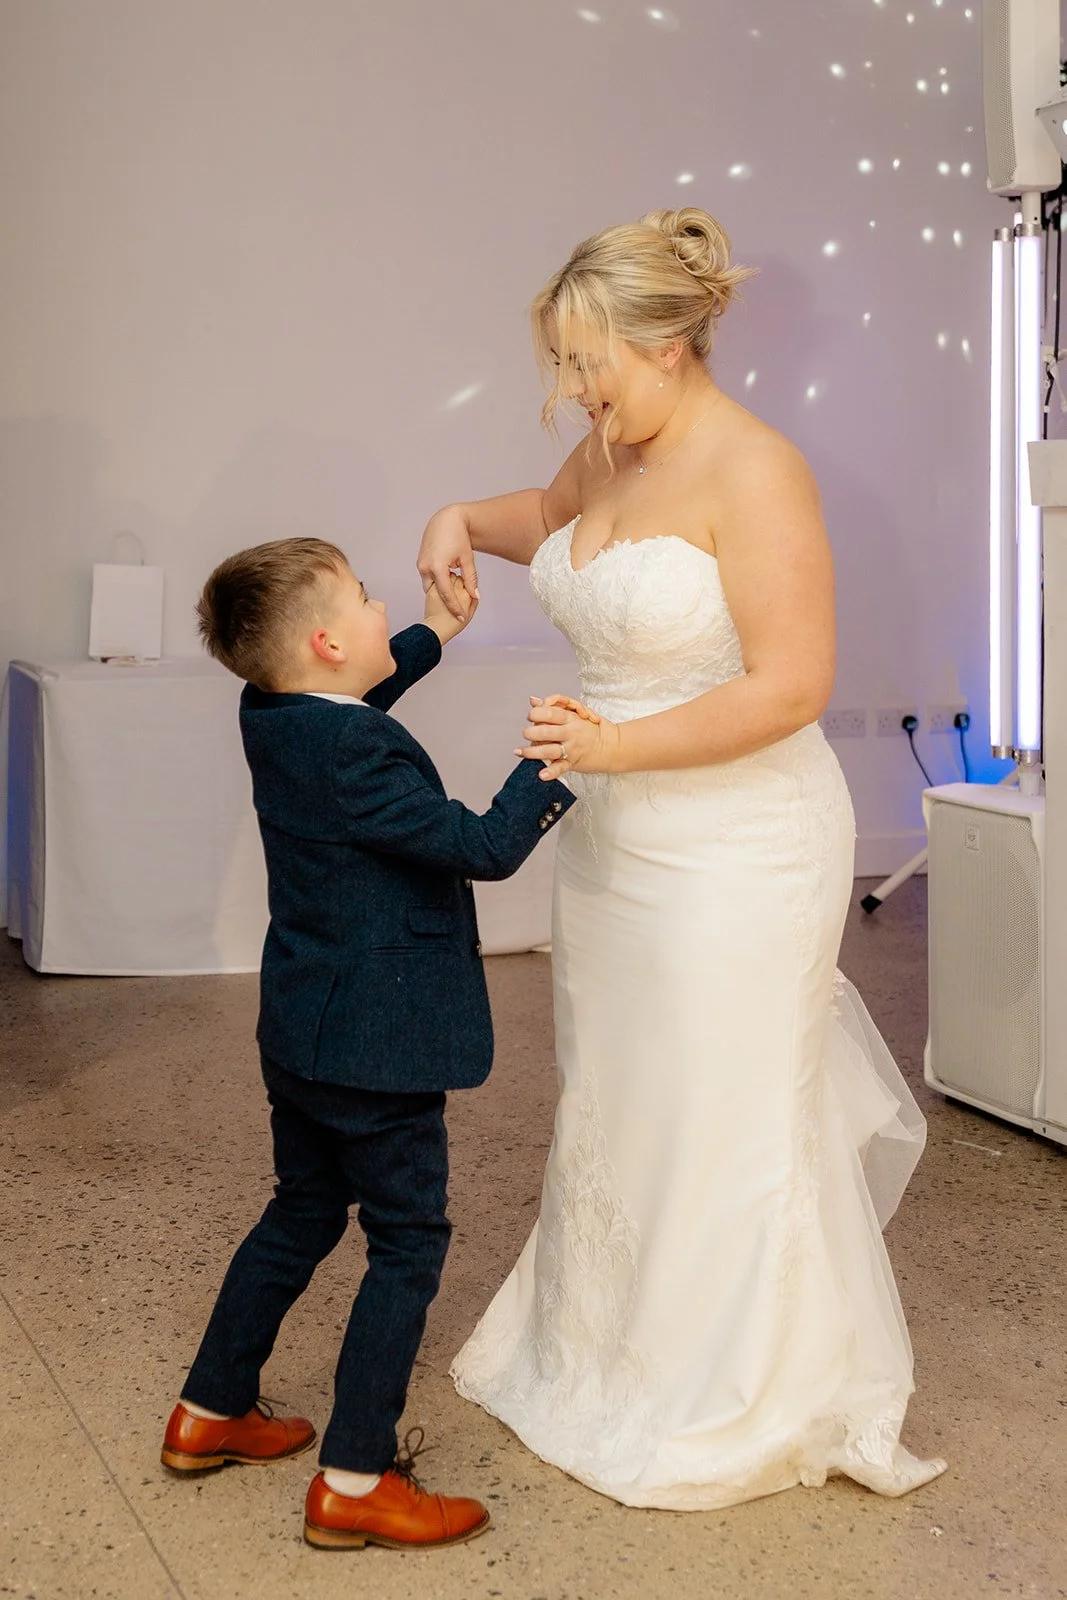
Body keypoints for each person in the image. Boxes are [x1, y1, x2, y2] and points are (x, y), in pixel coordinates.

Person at [417, 207, 947, 1510]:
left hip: (739, 847)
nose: (575, 395)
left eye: (590, 364)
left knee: (719, 1103)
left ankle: (731, 1389)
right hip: (616, 844)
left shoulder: (754, 469)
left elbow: (789, 684)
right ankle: (605, 1354)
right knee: (621, 1093)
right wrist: (451, 519)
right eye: (565, 368)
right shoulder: (604, 453)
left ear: (668, 340)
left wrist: (612, 745)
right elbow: (541, 520)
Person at [160, 537, 574, 1550]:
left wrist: (435, 632)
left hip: (302, 1026)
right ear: (328, 639)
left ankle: (207, 1412)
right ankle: (354, 1475)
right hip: (375, 1044)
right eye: (364, 596)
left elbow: (354, 707)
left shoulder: (274, 712)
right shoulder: (358, 751)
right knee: (408, 1241)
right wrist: (552, 758)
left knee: (302, 1208)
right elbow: (481, 846)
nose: (385, 600)